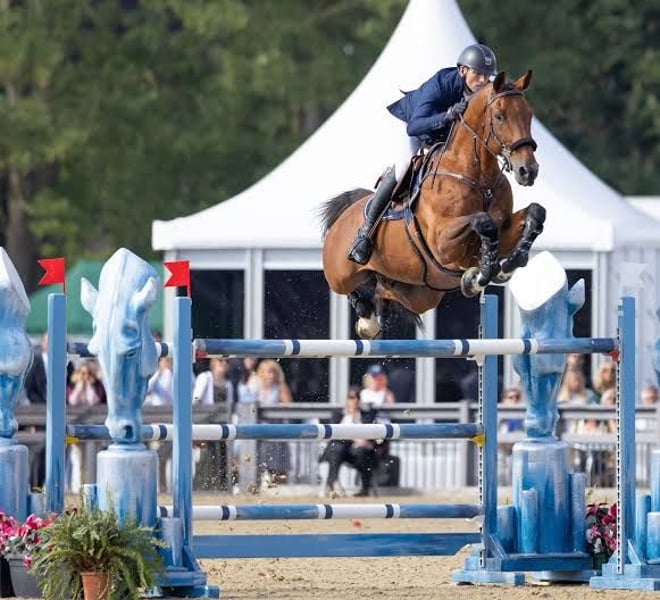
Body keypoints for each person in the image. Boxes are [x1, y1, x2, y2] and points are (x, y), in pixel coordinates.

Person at [347, 43, 498, 265]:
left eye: (487, 76)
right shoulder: (441, 84)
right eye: (478, 74)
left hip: (445, 134)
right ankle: (365, 233)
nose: (483, 81)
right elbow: (414, 127)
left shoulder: (486, 92)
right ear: (462, 70)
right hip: (415, 125)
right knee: (404, 166)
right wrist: (447, 116)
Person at [319, 386, 378, 497]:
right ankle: (332, 483)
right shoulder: (338, 415)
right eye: (351, 397)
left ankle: (365, 487)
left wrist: (364, 442)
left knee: (363, 452)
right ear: (347, 399)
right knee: (336, 449)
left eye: (357, 397)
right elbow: (335, 434)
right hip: (341, 450)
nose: (354, 400)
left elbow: (372, 437)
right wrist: (355, 438)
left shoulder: (367, 416)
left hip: (358, 452)